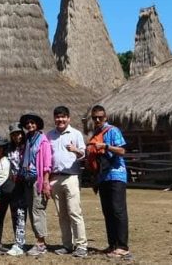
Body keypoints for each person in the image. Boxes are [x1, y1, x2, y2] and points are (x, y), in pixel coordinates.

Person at [86, 105, 130, 259]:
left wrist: (106, 146)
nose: (97, 120)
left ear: (105, 117)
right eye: (95, 117)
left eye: (100, 117)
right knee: (108, 212)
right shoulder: (95, 134)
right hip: (103, 177)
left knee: (118, 211)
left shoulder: (113, 131)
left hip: (116, 175)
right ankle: (112, 245)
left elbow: (122, 151)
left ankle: (123, 246)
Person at [46, 106, 88, 258]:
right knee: (62, 214)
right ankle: (67, 245)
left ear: (68, 118)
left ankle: (81, 245)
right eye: (57, 117)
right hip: (55, 178)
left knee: (74, 212)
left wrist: (75, 150)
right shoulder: (49, 135)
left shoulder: (76, 134)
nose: (60, 120)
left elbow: (84, 154)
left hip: (71, 177)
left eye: (63, 117)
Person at [19, 113, 52, 257]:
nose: (30, 125)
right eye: (27, 123)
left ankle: (41, 243)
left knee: (38, 210)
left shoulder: (43, 141)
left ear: (37, 124)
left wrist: (45, 182)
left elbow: (46, 164)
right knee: (32, 211)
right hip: (27, 179)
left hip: (37, 180)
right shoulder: (28, 140)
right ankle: (38, 240)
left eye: (32, 123)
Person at [6, 122, 27, 256]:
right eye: (14, 134)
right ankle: (19, 242)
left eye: (19, 133)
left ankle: (22, 243)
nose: (17, 136)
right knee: (16, 213)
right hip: (13, 184)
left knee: (24, 213)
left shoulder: (27, 146)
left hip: (26, 183)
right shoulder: (9, 148)